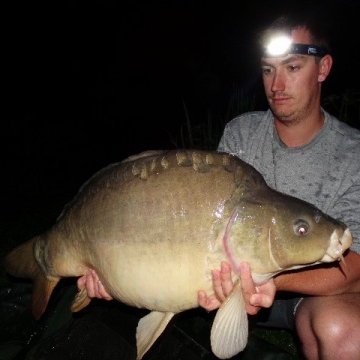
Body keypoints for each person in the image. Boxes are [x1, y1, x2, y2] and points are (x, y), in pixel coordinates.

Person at [78, 11, 360, 360]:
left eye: (293, 67)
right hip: (244, 291)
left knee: (342, 332)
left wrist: (260, 277)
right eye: (268, 69)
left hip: (315, 294)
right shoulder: (241, 133)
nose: (276, 85)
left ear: (323, 68)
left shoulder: (354, 152)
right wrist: (116, 272)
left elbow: (354, 270)